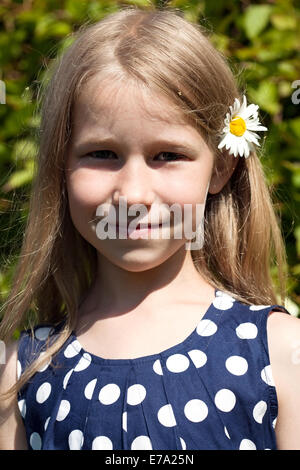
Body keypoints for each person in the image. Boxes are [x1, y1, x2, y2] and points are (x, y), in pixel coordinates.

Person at [0, 6, 299, 451]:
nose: (133, 194)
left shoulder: (281, 354)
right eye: (102, 154)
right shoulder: (20, 373)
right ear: (60, 168)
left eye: (167, 156)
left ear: (220, 168)